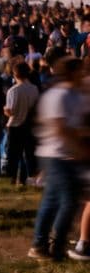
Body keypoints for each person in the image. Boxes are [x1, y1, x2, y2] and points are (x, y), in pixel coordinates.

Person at [28, 56, 85, 261]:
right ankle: (56, 245)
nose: (83, 74)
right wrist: (80, 148)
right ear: (70, 73)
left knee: (52, 200)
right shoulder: (57, 96)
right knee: (68, 201)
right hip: (55, 155)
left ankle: (40, 243)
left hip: (68, 155)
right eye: (80, 71)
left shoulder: (76, 95)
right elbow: (60, 128)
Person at [4, 59, 39, 186]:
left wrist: (5, 110)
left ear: (14, 73)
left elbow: (11, 111)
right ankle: (25, 177)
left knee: (14, 154)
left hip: (15, 125)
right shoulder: (34, 89)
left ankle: (13, 177)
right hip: (28, 124)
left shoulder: (13, 91)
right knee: (28, 153)